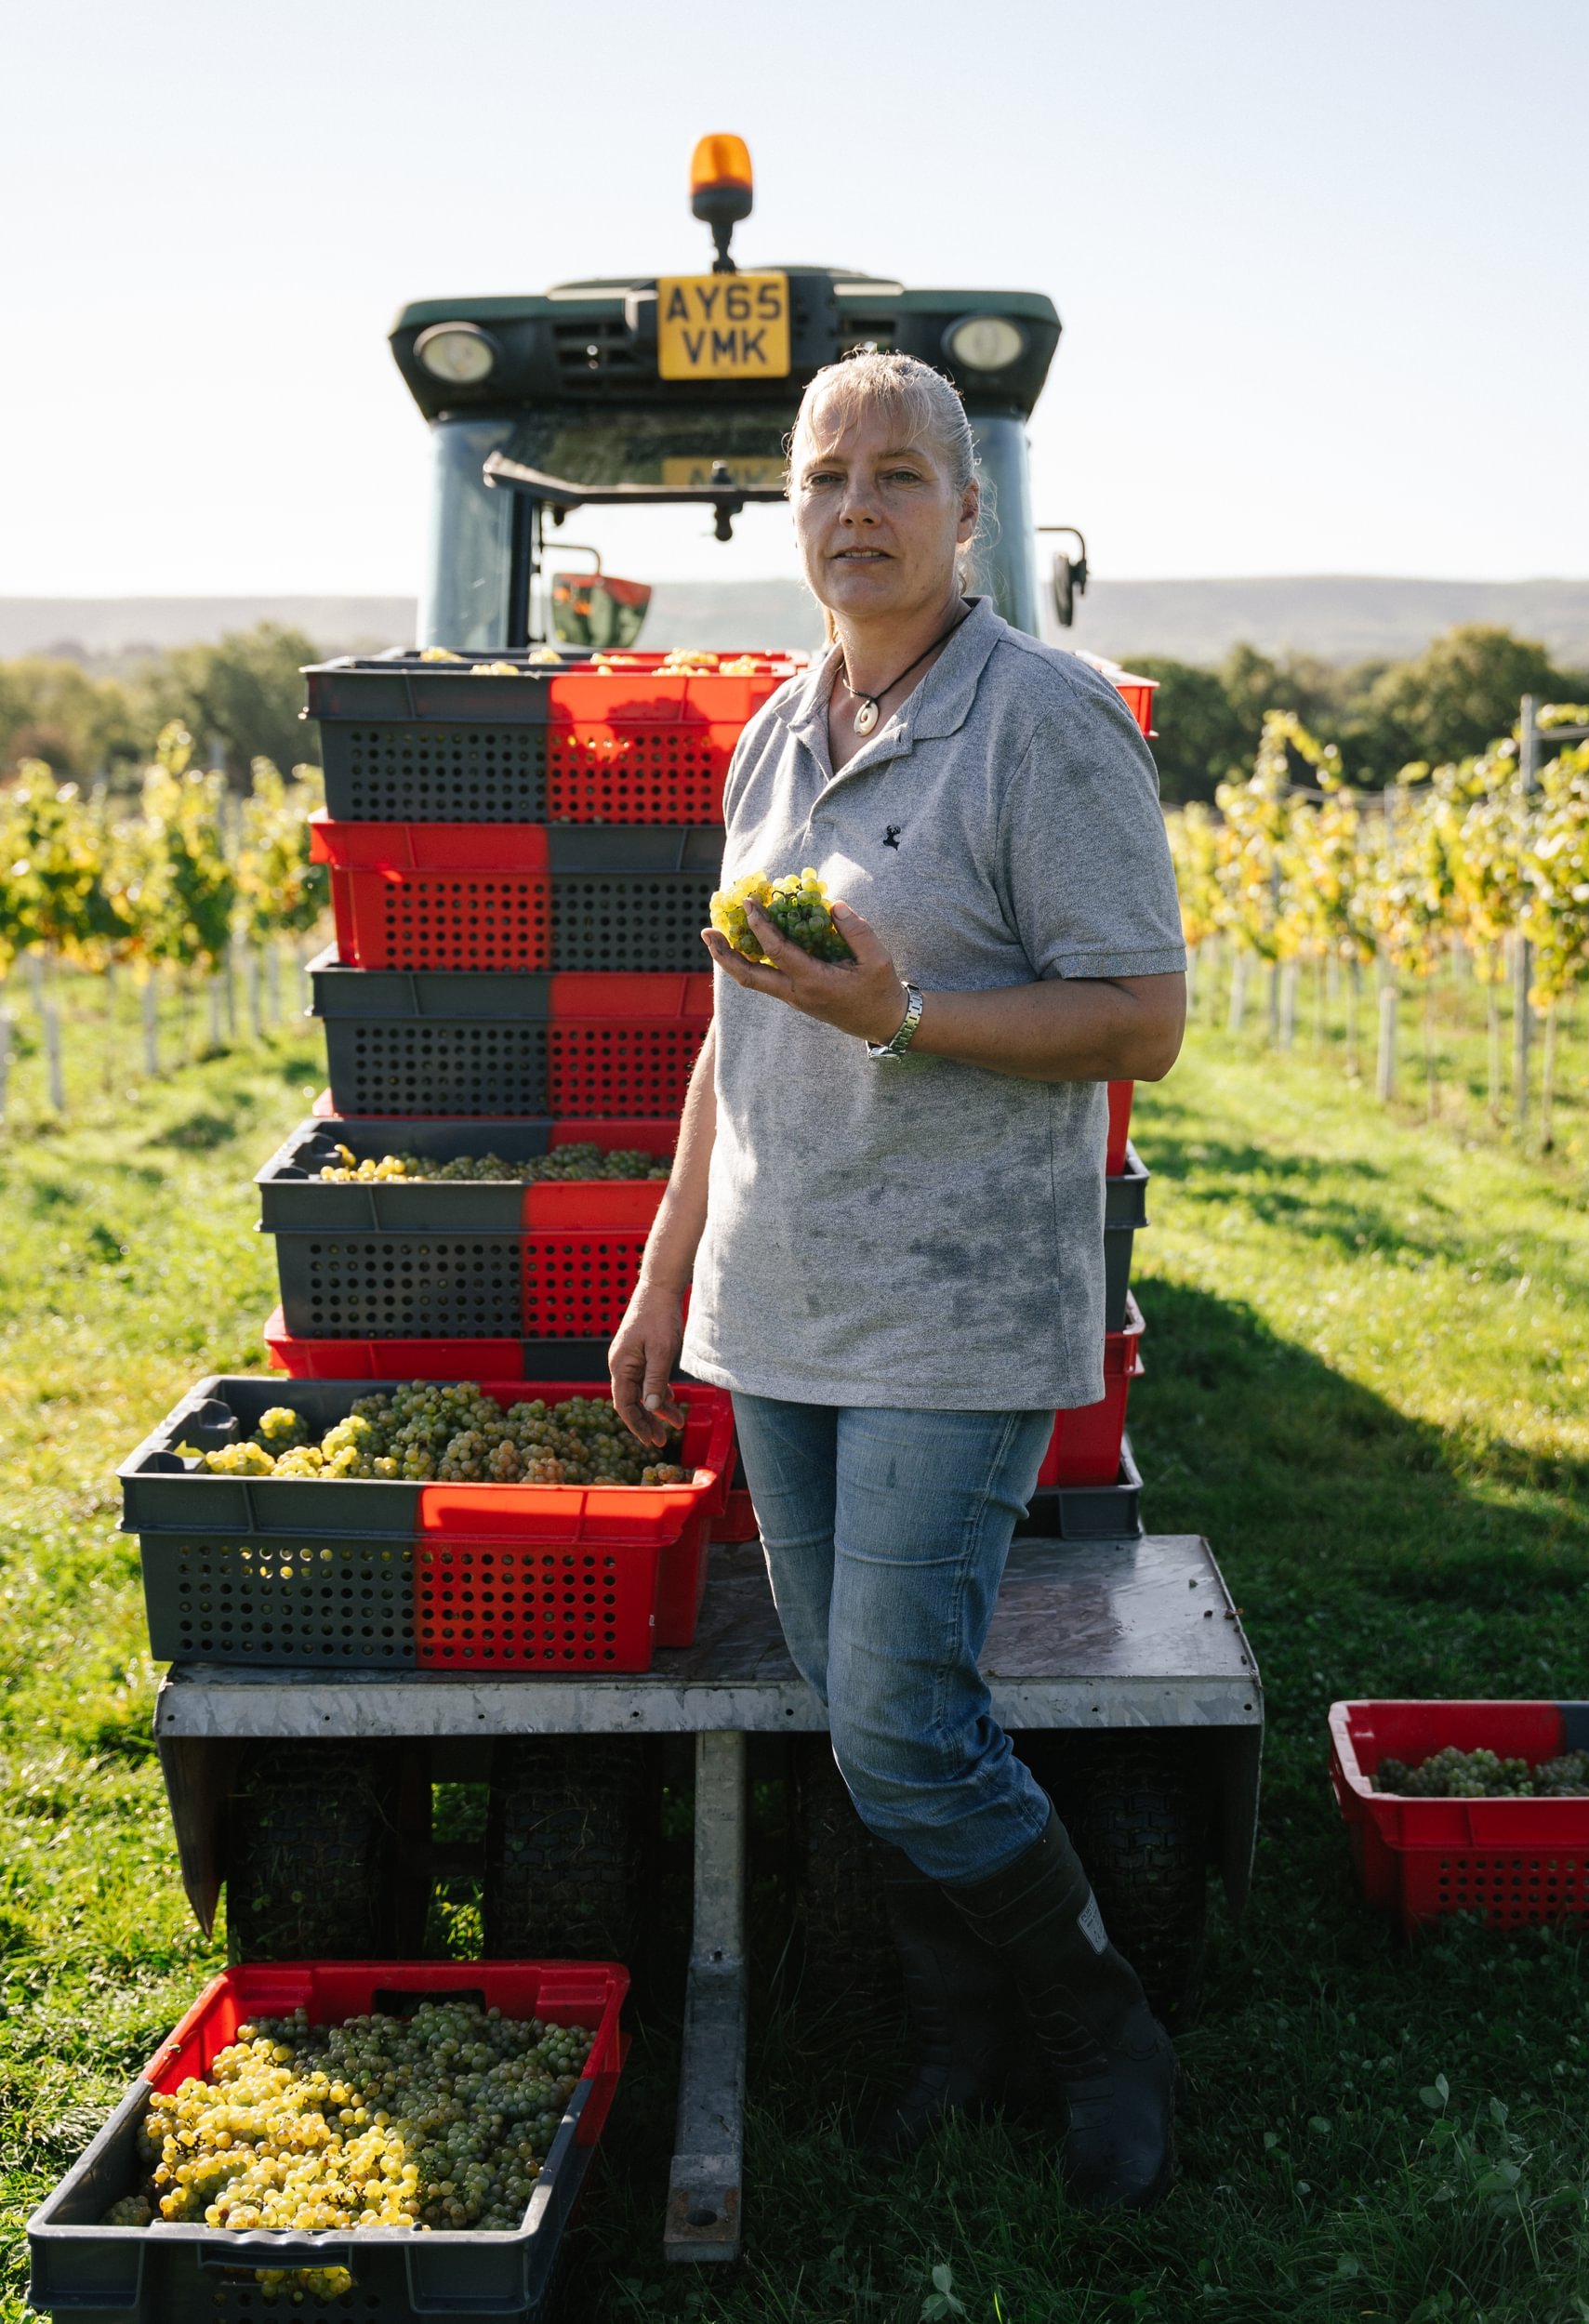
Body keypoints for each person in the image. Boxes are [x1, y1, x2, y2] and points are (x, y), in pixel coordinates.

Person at [609, 348, 1187, 2210]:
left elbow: (1141, 1022)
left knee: (897, 1719)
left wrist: (908, 1012)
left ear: (965, 508)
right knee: (876, 1713)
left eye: (895, 475)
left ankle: (1099, 2025)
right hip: (777, 1301)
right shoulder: (783, 726)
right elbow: (729, 1028)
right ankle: (961, 2029)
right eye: (821, 476)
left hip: (952, 1303)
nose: (855, 507)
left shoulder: (1048, 721)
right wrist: (662, 1257)